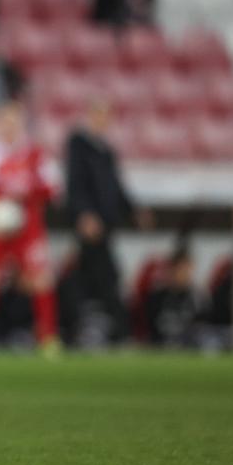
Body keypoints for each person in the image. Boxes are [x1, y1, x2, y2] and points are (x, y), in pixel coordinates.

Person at [0, 103, 61, 354]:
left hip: (28, 229)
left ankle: (48, 338)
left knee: (40, 280)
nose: (8, 128)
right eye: (3, 123)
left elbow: (52, 190)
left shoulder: (37, 156)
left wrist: (26, 196)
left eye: (13, 123)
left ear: (21, 126)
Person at [65, 101, 150, 340]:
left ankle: (88, 330)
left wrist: (133, 210)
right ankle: (119, 332)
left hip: (107, 226)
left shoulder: (106, 151)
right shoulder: (78, 145)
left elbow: (116, 187)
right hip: (92, 227)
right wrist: (84, 214)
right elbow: (75, 184)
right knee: (104, 277)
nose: (101, 121)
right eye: (98, 115)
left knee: (93, 278)